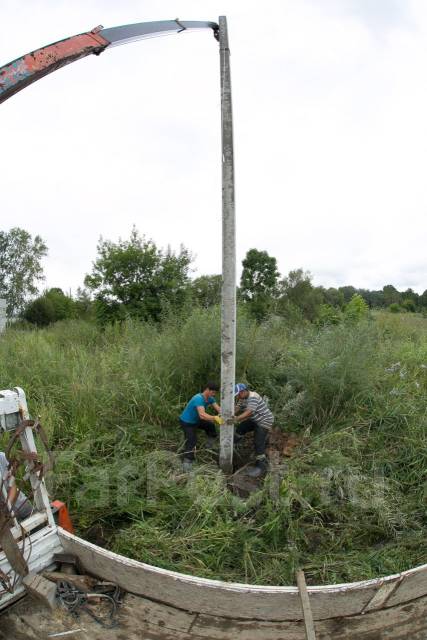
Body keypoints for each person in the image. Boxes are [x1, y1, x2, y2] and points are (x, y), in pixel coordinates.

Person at [234, 383, 274, 477]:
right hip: (255, 420)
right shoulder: (242, 398)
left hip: (265, 421)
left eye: (239, 394)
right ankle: (235, 445)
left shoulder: (253, 397)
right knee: (241, 428)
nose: (238, 396)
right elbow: (237, 408)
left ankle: (261, 467)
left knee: (258, 443)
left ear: (243, 391)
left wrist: (236, 419)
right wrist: (228, 414)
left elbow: (249, 412)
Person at [179, 382, 222, 471]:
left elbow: (218, 409)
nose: (213, 394)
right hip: (187, 422)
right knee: (191, 441)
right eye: (212, 392)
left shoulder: (210, 398)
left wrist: (224, 415)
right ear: (207, 389)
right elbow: (202, 415)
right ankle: (187, 464)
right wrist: (214, 418)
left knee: (210, 426)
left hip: (196, 420)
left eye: (215, 393)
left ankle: (209, 445)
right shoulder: (198, 398)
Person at [0, 451, 33, 521]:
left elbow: (13, 485)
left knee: (35, 519)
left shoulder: (1, 457)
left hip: (19, 502)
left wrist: (8, 504)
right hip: (4, 516)